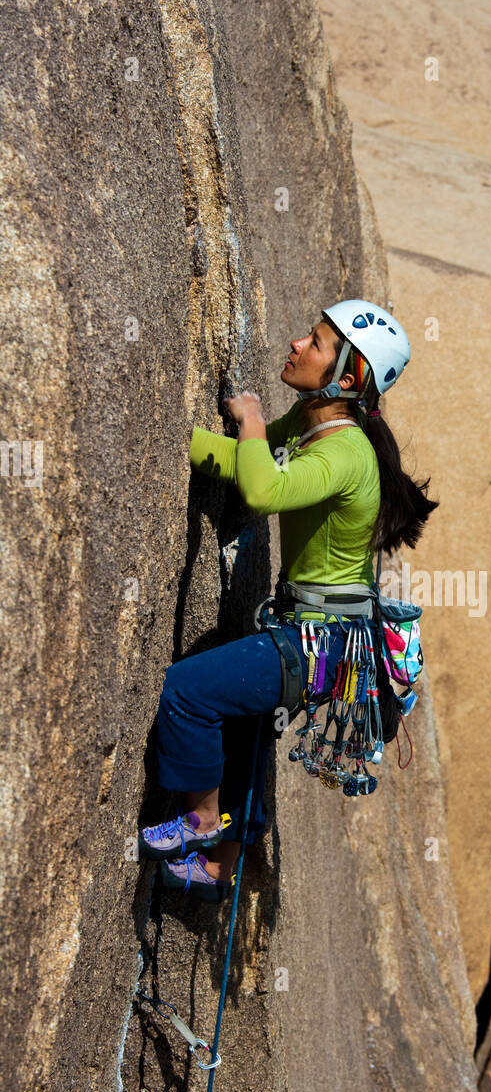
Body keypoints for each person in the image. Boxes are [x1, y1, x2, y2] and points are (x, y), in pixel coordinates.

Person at [138, 299, 438, 891]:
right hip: (314, 635)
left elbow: (262, 488)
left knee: (187, 692)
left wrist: (250, 417)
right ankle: (229, 859)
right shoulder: (312, 424)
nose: (298, 345)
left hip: (322, 642)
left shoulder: (345, 452)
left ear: (347, 377)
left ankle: (200, 819)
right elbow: (235, 461)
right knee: (242, 725)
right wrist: (158, 435)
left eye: (317, 343)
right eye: (309, 334)